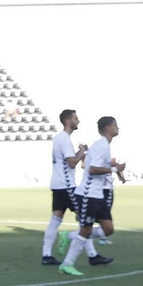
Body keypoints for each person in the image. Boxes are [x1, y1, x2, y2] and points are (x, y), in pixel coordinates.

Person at [59, 117, 124, 275]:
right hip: (88, 195)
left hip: (97, 194)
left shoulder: (103, 145)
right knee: (86, 231)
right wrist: (115, 170)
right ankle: (67, 264)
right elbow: (93, 169)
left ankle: (70, 235)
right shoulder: (101, 146)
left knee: (108, 229)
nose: (118, 128)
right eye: (115, 125)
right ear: (107, 128)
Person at [42, 110, 89, 264]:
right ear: (68, 121)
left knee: (55, 219)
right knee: (85, 218)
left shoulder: (59, 138)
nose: (78, 121)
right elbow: (72, 163)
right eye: (76, 118)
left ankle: (46, 255)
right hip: (67, 186)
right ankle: (92, 255)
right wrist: (82, 151)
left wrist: (78, 153)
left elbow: (66, 160)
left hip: (57, 184)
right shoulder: (65, 139)